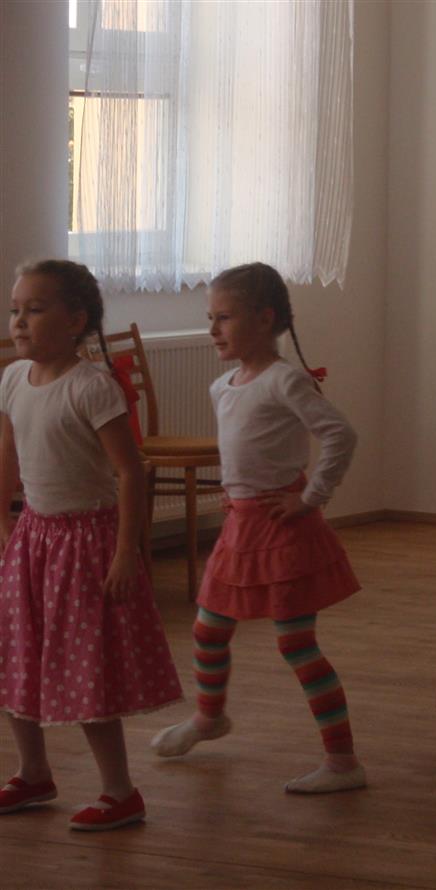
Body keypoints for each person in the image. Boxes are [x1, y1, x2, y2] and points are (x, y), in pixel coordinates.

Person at [150, 262, 364, 793]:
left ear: (265, 319)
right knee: (208, 630)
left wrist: (310, 498)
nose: (213, 329)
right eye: (210, 318)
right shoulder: (223, 386)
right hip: (240, 530)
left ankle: (343, 763)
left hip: (284, 532)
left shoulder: (285, 380)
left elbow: (340, 435)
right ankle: (209, 717)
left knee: (296, 645)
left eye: (224, 317)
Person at [0, 259, 182, 830]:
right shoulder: (12, 380)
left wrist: (127, 551)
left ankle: (120, 791)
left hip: (85, 544)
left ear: (75, 319)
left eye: (35, 309)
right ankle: (33, 773)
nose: (19, 321)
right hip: (33, 538)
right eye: (15, 310)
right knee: (16, 655)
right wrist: (5, 522)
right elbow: (8, 458)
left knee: (84, 665)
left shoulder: (92, 387)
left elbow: (129, 472)